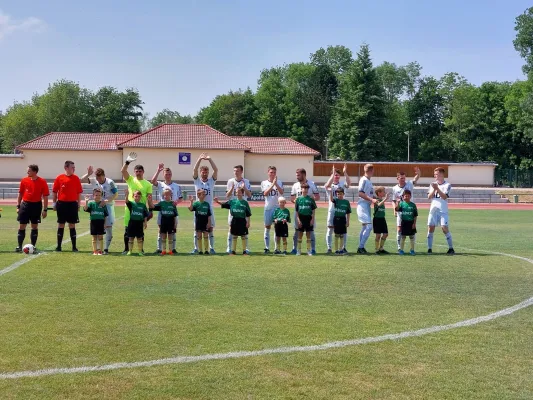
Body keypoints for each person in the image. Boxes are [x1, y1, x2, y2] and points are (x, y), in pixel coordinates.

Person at [80, 166, 118, 254]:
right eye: (97, 177)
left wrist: (106, 201)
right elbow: (81, 180)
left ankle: (105, 249)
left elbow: (116, 194)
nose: (98, 180)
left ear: (104, 175)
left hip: (108, 206)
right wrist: (88, 174)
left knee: (108, 228)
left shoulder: (110, 182)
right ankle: (97, 250)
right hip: (96, 206)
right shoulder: (94, 181)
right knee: (96, 228)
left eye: (100, 177)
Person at [121, 152, 153, 255]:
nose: (138, 172)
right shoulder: (130, 180)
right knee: (127, 230)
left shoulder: (148, 184)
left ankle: (140, 250)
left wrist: (150, 210)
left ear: (143, 172)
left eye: (140, 171)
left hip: (140, 211)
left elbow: (149, 198)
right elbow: (123, 171)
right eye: (136, 171)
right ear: (134, 172)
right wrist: (127, 162)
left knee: (140, 232)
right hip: (130, 210)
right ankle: (127, 249)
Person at [15, 164, 49, 253]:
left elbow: (45, 196)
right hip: (25, 205)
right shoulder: (24, 180)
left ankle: (33, 246)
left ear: (34, 172)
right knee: (22, 225)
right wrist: (18, 206)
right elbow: (20, 194)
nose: (27, 172)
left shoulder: (42, 181)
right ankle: (19, 246)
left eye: (29, 171)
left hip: (36, 206)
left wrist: (45, 209)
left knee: (34, 226)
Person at [150, 164, 182, 254]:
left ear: (171, 175)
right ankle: (159, 248)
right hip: (162, 211)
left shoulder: (177, 186)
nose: (168, 175)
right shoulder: (160, 184)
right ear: (163, 175)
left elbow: (181, 197)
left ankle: (173, 248)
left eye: (169, 174)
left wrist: (176, 202)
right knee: (161, 229)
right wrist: (158, 170)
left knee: (173, 230)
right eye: (166, 174)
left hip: (172, 210)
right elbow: (152, 181)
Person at [52, 160, 83, 252]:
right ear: (66, 168)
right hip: (61, 204)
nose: (74, 169)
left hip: (72, 204)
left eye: (74, 167)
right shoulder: (59, 178)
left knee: (72, 225)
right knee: (61, 224)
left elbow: (78, 193)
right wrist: (54, 203)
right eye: (72, 167)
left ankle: (74, 247)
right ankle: (59, 246)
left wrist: (78, 204)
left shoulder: (76, 178)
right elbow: (54, 192)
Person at [192, 153, 218, 254]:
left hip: (209, 208)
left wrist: (210, 159)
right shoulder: (197, 181)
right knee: (197, 229)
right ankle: (196, 248)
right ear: (200, 172)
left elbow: (216, 170)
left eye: (206, 172)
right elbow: (194, 170)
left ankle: (211, 248)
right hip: (198, 208)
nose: (204, 173)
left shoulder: (211, 181)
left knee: (210, 228)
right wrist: (199, 159)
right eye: (203, 172)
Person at [290, 168, 320, 254]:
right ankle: (295, 249)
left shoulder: (312, 184)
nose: (297, 177)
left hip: (309, 213)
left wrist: (308, 200)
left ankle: (312, 249)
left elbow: (317, 197)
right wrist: (299, 201)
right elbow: (292, 198)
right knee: (297, 230)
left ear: (304, 174)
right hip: (299, 212)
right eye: (296, 175)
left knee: (310, 231)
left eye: (298, 175)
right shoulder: (295, 185)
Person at [215, 187, 252, 256]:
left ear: (242, 193)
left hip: (242, 220)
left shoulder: (245, 203)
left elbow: (248, 214)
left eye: (240, 192)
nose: (238, 193)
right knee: (234, 235)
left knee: (243, 236)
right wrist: (217, 202)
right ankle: (233, 251)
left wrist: (248, 222)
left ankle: (244, 251)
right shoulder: (232, 201)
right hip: (234, 220)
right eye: (237, 192)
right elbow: (224, 204)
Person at [427, 167, 455, 255]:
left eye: (437, 174)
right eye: (435, 174)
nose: (435, 176)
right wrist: (434, 189)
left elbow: (444, 197)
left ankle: (451, 248)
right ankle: (429, 249)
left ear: (442, 174)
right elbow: (429, 197)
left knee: (444, 228)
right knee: (431, 228)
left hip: (443, 210)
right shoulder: (432, 184)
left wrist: (437, 189)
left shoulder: (447, 185)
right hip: (433, 210)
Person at [392, 167, 420, 251]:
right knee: (399, 229)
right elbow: (393, 200)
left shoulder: (409, 184)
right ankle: (399, 247)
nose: (403, 179)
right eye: (401, 178)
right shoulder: (394, 188)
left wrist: (418, 173)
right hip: (400, 212)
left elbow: (415, 179)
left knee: (412, 229)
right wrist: (394, 210)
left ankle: (412, 248)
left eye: (404, 178)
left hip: (410, 211)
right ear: (397, 178)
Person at [324, 164, 351, 253]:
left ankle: (343, 247)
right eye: (335, 174)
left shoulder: (342, 184)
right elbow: (326, 185)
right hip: (332, 210)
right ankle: (329, 248)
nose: (336, 176)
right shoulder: (329, 185)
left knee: (343, 230)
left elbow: (349, 183)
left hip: (341, 212)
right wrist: (332, 173)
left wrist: (345, 172)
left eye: (338, 174)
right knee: (330, 229)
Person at [225, 165, 252, 254]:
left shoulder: (246, 181)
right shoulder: (230, 181)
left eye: (237, 171)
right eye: (234, 171)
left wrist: (244, 188)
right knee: (231, 227)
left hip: (243, 208)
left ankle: (246, 248)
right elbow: (227, 196)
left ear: (241, 172)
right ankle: (229, 248)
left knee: (245, 228)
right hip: (233, 208)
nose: (235, 172)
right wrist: (232, 188)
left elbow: (249, 195)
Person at [261, 166, 284, 254]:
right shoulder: (264, 182)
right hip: (268, 208)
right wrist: (272, 184)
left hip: (277, 209)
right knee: (267, 227)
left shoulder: (280, 182)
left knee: (277, 228)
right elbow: (265, 193)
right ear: (268, 173)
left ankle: (276, 248)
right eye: (271, 172)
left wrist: (276, 184)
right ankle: (266, 247)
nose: (272, 174)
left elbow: (281, 192)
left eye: (274, 172)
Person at [356, 164, 377, 254]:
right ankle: (360, 247)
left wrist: (377, 198)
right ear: (371, 171)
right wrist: (372, 199)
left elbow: (369, 194)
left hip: (367, 205)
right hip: (362, 205)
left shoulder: (368, 181)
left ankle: (361, 247)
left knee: (365, 227)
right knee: (369, 226)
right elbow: (360, 193)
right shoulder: (363, 180)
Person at [153, 188, 178, 255]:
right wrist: (149, 200)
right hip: (163, 222)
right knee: (163, 236)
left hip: (171, 223)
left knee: (170, 236)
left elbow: (175, 215)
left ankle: (170, 251)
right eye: (164, 195)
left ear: (171, 195)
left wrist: (175, 224)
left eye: (167, 195)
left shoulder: (173, 204)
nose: (166, 196)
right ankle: (163, 250)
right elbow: (152, 207)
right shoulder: (161, 203)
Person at [83, 188, 108, 255]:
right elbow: (85, 209)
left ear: (101, 196)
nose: (98, 196)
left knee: (100, 236)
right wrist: (86, 201)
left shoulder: (103, 204)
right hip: (93, 222)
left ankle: (100, 251)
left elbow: (105, 215)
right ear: (93, 196)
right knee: (94, 237)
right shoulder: (91, 204)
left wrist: (105, 224)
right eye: (96, 195)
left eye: (99, 195)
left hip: (101, 222)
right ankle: (95, 251)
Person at [295, 183, 317, 256]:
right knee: (300, 235)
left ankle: (308, 250)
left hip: (308, 218)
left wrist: (312, 219)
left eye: (307, 188)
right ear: (301, 189)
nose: (305, 190)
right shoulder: (298, 199)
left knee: (308, 235)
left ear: (308, 190)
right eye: (304, 188)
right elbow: (297, 211)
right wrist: (298, 220)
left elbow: (313, 210)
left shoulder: (311, 199)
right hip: (301, 218)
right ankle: (298, 250)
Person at [125, 189, 149, 256]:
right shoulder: (132, 204)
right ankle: (130, 251)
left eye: (138, 196)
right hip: (132, 223)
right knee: (131, 237)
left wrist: (145, 222)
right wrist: (127, 195)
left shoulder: (143, 205)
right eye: (136, 196)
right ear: (133, 196)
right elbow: (126, 201)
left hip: (139, 223)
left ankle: (140, 251)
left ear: (141, 197)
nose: (137, 198)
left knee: (140, 237)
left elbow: (145, 215)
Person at [188, 189, 212, 255]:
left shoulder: (207, 204)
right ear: (198, 195)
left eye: (204, 194)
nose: (204, 195)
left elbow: (209, 215)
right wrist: (191, 202)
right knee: (199, 236)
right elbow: (190, 209)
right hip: (199, 222)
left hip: (205, 222)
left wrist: (209, 222)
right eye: (203, 194)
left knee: (206, 236)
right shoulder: (196, 203)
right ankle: (200, 251)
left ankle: (206, 250)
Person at [328, 187, 351, 255]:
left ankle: (341, 249)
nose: (339, 195)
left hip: (343, 219)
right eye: (338, 194)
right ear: (336, 194)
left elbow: (348, 212)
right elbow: (331, 199)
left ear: (343, 194)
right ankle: (336, 250)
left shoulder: (346, 202)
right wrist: (331, 192)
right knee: (337, 234)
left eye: (341, 194)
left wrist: (348, 221)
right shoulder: (336, 200)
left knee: (342, 235)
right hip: (336, 219)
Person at [395, 189, 418, 255]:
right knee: (403, 236)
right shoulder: (402, 204)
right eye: (405, 196)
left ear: (410, 196)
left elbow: (415, 215)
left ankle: (412, 250)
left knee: (412, 237)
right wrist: (398, 203)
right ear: (403, 196)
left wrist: (414, 223)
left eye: (408, 196)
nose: (407, 197)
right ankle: (401, 250)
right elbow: (396, 209)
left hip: (411, 223)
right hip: (404, 223)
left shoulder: (413, 205)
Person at [373, 186, 390, 254]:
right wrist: (385, 199)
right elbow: (379, 205)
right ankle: (377, 249)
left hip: (382, 219)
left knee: (385, 234)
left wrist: (384, 199)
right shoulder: (375, 199)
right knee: (378, 235)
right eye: (383, 191)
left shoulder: (382, 200)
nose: (384, 193)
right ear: (379, 193)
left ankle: (381, 248)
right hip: (377, 219)